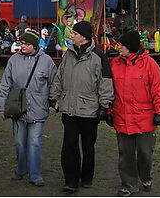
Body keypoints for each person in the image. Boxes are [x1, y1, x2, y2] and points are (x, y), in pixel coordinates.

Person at [49, 20, 114, 193]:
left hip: (89, 109)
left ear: (83, 38)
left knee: (88, 146)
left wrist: (104, 106)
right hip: (69, 108)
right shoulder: (68, 55)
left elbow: (105, 82)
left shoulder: (99, 56)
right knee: (69, 144)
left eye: (75, 34)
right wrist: (53, 98)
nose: (72, 36)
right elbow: (59, 77)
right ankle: (70, 180)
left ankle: (87, 177)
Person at [0, 29, 57, 187]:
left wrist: (53, 104)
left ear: (35, 46)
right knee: (19, 142)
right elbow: (5, 84)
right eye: (21, 43)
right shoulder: (13, 60)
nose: (22, 46)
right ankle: (21, 168)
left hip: (38, 109)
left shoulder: (47, 61)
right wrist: (1, 107)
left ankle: (35, 175)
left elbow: (55, 84)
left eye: (26, 44)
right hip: (18, 109)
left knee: (34, 142)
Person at [108, 30, 160, 197]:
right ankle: (128, 184)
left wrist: (159, 112)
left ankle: (145, 177)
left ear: (131, 48)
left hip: (145, 118)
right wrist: (109, 111)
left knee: (144, 153)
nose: (118, 48)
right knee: (125, 154)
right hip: (122, 116)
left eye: (122, 45)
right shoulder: (115, 64)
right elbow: (111, 91)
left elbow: (158, 90)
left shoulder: (150, 65)